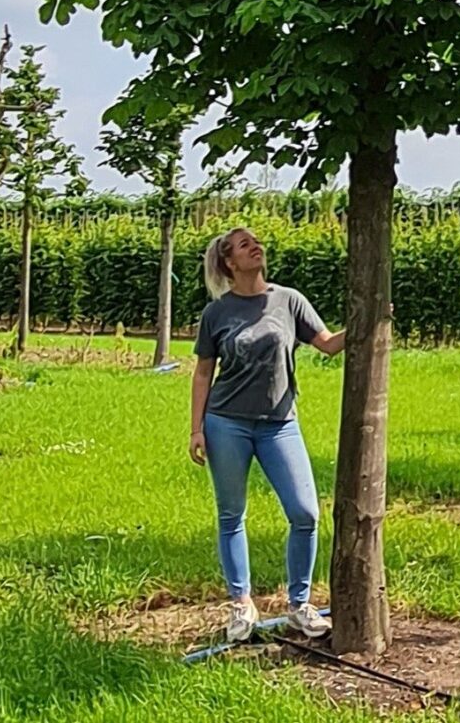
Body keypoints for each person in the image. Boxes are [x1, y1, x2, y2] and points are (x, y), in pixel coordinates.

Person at [191, 226, 345, 644]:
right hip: (227, 423)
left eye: (257, 241)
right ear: (229, 262)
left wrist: (369, 318)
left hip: (280, 423)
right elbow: (204, 371)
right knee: (231, 515)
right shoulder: (217, 313)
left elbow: (328, 344)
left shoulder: (289, 300)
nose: (256, 246)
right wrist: (196, 429)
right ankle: (242, 604)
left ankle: (299, 606)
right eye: (245, 244)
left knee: (305, 513)